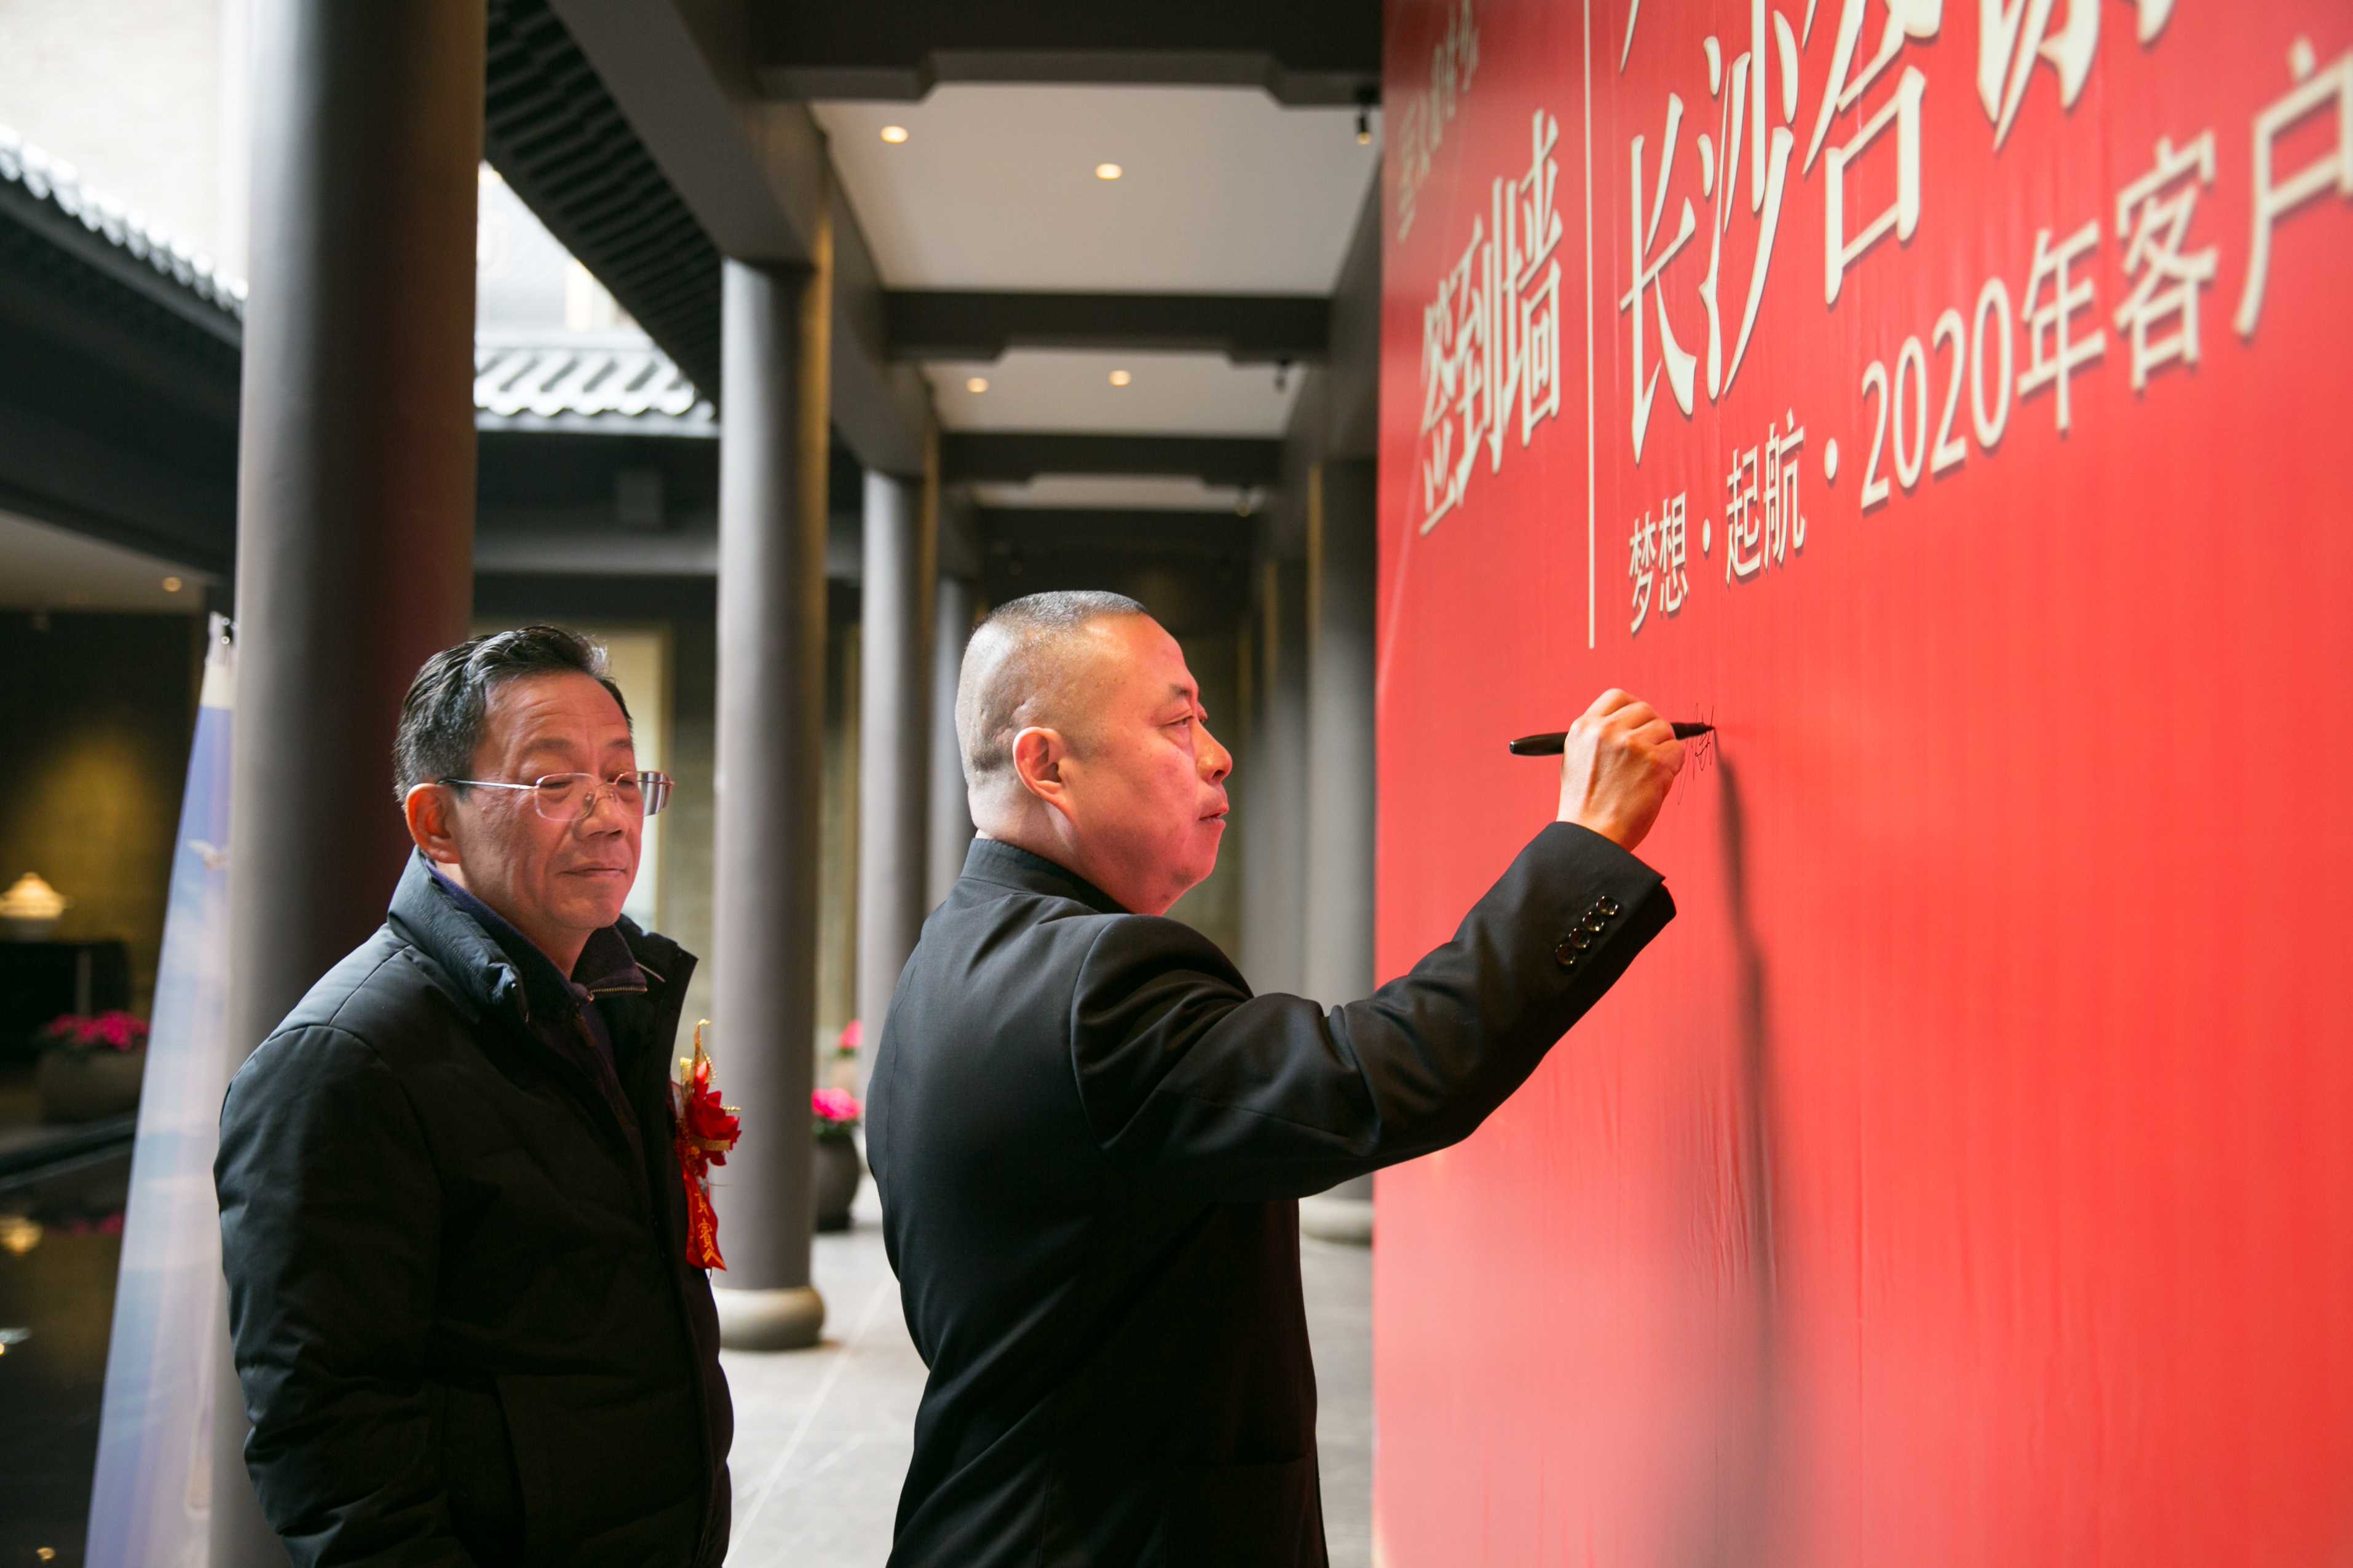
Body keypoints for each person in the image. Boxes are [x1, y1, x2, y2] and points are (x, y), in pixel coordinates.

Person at [869, 590, 1688, 1566]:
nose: (1217, 755)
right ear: (1047, 765)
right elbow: (1381, 1077)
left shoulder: (955, 949)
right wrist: (1587, 846)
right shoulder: (1096, 984)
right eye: (1177, 723)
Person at [215, 626, 730, 1567]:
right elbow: (331, 1441)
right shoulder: (344, 1063)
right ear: (436, 823)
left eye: (624, 779)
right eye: (553, 783)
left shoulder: (614, 998)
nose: (610, 817)